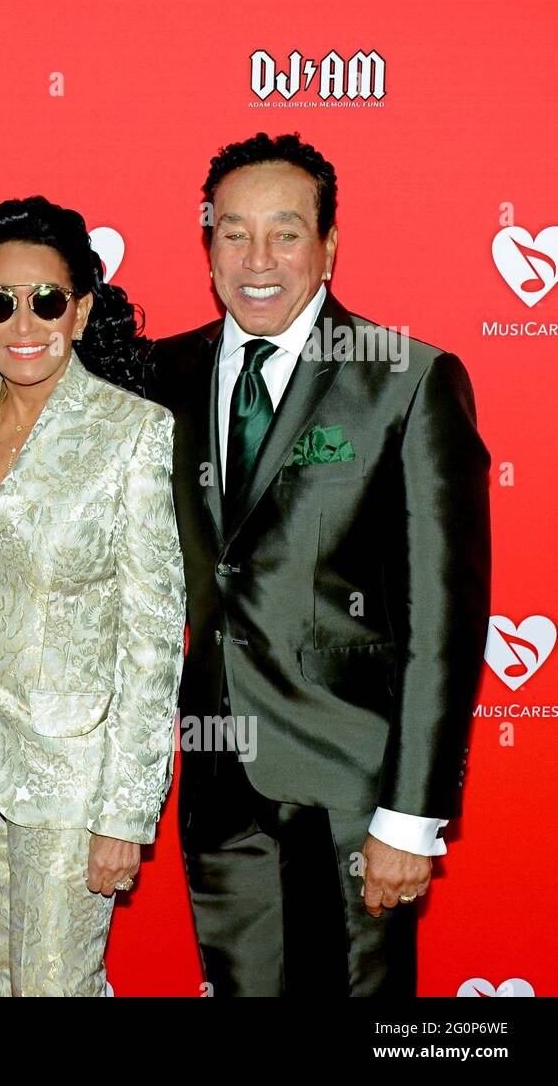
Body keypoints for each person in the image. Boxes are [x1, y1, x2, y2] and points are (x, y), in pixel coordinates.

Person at [149, 132, 491, 996]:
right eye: (233, 232)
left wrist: (409, 819)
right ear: (208, 246)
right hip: (221, 779)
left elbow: (442, 625)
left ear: (329, 246)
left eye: (286, 231)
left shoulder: (407, 381)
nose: (257, 259)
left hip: (353, 792)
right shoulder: (164, 374)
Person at [0, 196, 186, 996]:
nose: (23, 321)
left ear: (83, 308)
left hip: (73, 771)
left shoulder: (132, 431)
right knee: (0, 981)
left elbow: (152, 633)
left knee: (54, 987)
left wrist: (126, 812)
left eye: (48, 299)